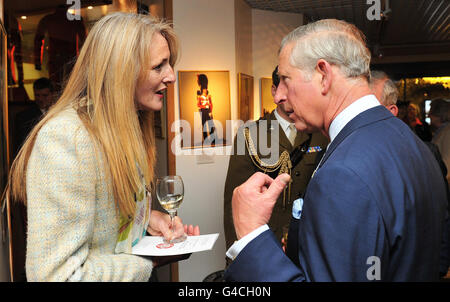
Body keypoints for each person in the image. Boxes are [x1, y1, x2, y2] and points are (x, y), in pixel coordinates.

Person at [224, 19, 447, 282]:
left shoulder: (344, 172)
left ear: (323, 75)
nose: (278, 96)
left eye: (285, 79)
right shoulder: (410, 142)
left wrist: (252, 235)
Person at [4, 12, 199, 282]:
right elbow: (57, 276)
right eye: (159, 66)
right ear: (121, 71)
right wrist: (148, 260)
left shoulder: (124, 127)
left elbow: (105, 228)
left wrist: (145, 223)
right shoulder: (67, 138)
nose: (171, 77)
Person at [223, 66, 328, 255]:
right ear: (274, 91)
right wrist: (237, 256)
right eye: (286, 89)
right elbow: (234, 200)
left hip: (308, 243)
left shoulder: (320, 132)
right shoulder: (250, 134)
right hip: (265, 242)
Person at [14, 78, 56, 157]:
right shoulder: (24, 117)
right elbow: (21, 146)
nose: (40, 99)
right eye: (37, 95)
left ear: (53, 94)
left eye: (45, 95)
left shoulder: (59, 113)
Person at [196, 74, 216, 141]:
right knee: (204, 125)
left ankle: (212, 139)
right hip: (203, 110)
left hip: (208, 110)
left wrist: (210, 111)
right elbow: (198, 104)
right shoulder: (199, 94)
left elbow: (211, 104)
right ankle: (206, 139)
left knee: (210, 124)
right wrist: (202, 108)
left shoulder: (208, 95)